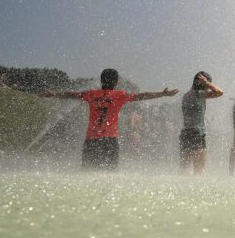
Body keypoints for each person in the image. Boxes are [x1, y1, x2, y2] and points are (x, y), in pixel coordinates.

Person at [38, 68, 178, 170]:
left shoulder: (91, 94)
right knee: (110, 174)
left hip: (91, 140)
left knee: (87, 172)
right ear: (116, 82)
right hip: (109, 140)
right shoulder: (120, 95)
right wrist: (162, 94)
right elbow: (142, 96)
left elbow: (70, 94)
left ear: (101, 80)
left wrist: (53, 94)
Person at [179, 71, 224, 174]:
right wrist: (207, 83)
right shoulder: (199, 94)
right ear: (202, 83)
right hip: (197, 133)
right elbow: (220, 92)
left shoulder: (186, 95)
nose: (208, 88)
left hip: (185, 132)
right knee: (199, 170)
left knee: (184, 169)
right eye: (206, 85)